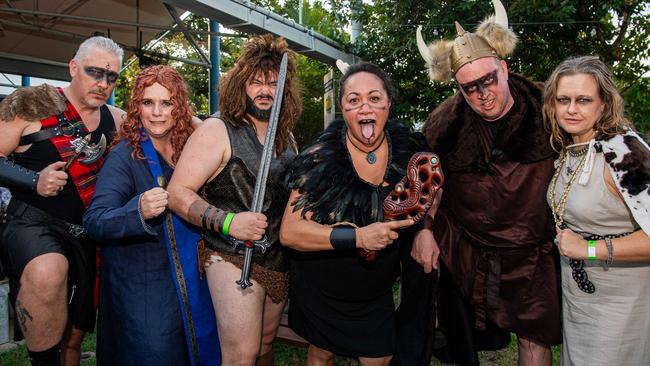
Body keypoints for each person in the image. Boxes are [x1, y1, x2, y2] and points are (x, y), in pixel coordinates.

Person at [415, 1, 561, 364]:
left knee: (534, 339)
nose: (482, 94)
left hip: (532, 252)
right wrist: (426, 230)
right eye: (469, 88)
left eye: (488, 80)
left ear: (505, 69)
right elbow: (429, 185)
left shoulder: (549, 111)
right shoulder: (443, 125)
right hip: (466, 248)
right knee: (461, 342)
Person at [280, 61, 430, 365]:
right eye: (353, 100)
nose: (365, 108)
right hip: (321, 283)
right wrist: (358, 236)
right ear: (342, 109)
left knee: (380, 356)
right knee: (321, 352)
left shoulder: (409, 149)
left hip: (374, 287)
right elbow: (290, 232)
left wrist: (425, 229)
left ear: (388, 102)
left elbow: (425, 194)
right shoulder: (319, 159)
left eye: (374, 98)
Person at [167, 34, 301, 365]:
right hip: (229, 254)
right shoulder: (217, 130)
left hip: (277, 257)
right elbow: (177, 193)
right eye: (256, 81)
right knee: (242, 354)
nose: (265, 90)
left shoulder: (287, 137)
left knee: (265, 344)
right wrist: (229, 222)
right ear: (241, 84)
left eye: (273, 83)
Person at [83, 65, 220, 366]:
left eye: (167, 103)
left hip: (189, 281)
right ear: (136, 107)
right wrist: (138, 211)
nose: (157, 112)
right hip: (143, 285)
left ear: (180, 107)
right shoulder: (124, 155)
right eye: (148, 102)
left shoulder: (190, 148)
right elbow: (95, 220)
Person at [0, 36, 124, 366]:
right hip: (33, 222)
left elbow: (172, 126)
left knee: (74, 335)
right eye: (94, 72)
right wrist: (33, 180)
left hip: (87, 235)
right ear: (73, 67)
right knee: (48, 270)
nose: (103, 83)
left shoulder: (117, 118)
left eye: (111, 77)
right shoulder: (29, 104)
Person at [542, 56, 650, 365]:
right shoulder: (570, 151)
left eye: (584, 100)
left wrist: (587, 248)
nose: (572, 109)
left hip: (622, 306)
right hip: (579, 299)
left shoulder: (623, 151)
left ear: (603, 104)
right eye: (563, 100)